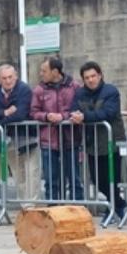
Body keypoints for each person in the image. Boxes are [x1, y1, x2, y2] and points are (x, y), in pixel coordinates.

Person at [70, 61, 127, 220]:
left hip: (112, 141)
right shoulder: (80, 93)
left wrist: (84, 117)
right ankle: (119, 204)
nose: (90, 80)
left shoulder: (111, 91)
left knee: (112, 178)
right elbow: (73, 108)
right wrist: (74, 115)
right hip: (91, 143)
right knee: (97, 180)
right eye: (87, 77)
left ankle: (115, 207)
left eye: (93, 76)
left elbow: (108, 113)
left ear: (100, 75)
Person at [0, 63, 36, 220]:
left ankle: (31, 208)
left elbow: (21, 114)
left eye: (10, 77)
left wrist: (1, 122)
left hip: (27, 138)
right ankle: (25, 209)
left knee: (31, 174)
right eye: (4, 78)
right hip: (9, 140)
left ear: (16, 76)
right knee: (19, 177)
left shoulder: (24, 89)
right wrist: (5, 112)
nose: (8, 81)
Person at [31, 56, 81, 201]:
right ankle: (52, 209)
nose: (41, 73)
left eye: (44, 70)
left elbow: (78, 107)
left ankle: (77, 208)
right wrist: (46, 116)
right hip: (48, 140)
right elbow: (33, 112)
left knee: (74, 178)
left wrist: (63, 116)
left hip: (71, 138)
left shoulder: (74, 86)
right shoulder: (39, 89)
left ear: (55, 71)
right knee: (51, 180)